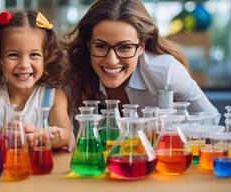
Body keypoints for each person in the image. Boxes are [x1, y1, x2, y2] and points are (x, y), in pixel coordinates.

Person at [66, 0, 218, 114]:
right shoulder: (74, 70)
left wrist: (172, 130)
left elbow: (211, 120)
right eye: (100, 46)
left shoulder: (166, 72)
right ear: (88, 44)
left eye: (124, 47)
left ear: (142, 46)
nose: (112, 60)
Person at [0, 10, 71, 151]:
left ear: (46, 58)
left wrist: (40, 135)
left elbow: (65, 135)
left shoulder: (55, 98)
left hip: (44, 172)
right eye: (13, 55)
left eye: (34, 54)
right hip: (2, 172)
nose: (24, 64)